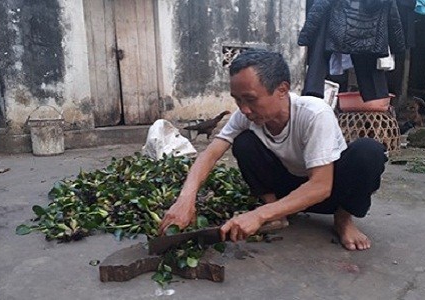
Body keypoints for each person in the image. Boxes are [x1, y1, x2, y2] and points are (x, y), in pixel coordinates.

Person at [158, 49, 387, 251]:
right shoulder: (245, 116)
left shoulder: (315, 114)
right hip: (287, 192)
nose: (244, 109)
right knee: (244, 142)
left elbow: (320, 186)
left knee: (368, 152)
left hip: (329, 193)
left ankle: (343, 219)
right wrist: (185, 200)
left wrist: (257, 216)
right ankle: (277, 211)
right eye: (237, 100)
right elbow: (210, 153)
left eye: (250, 99)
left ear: (282, 89)